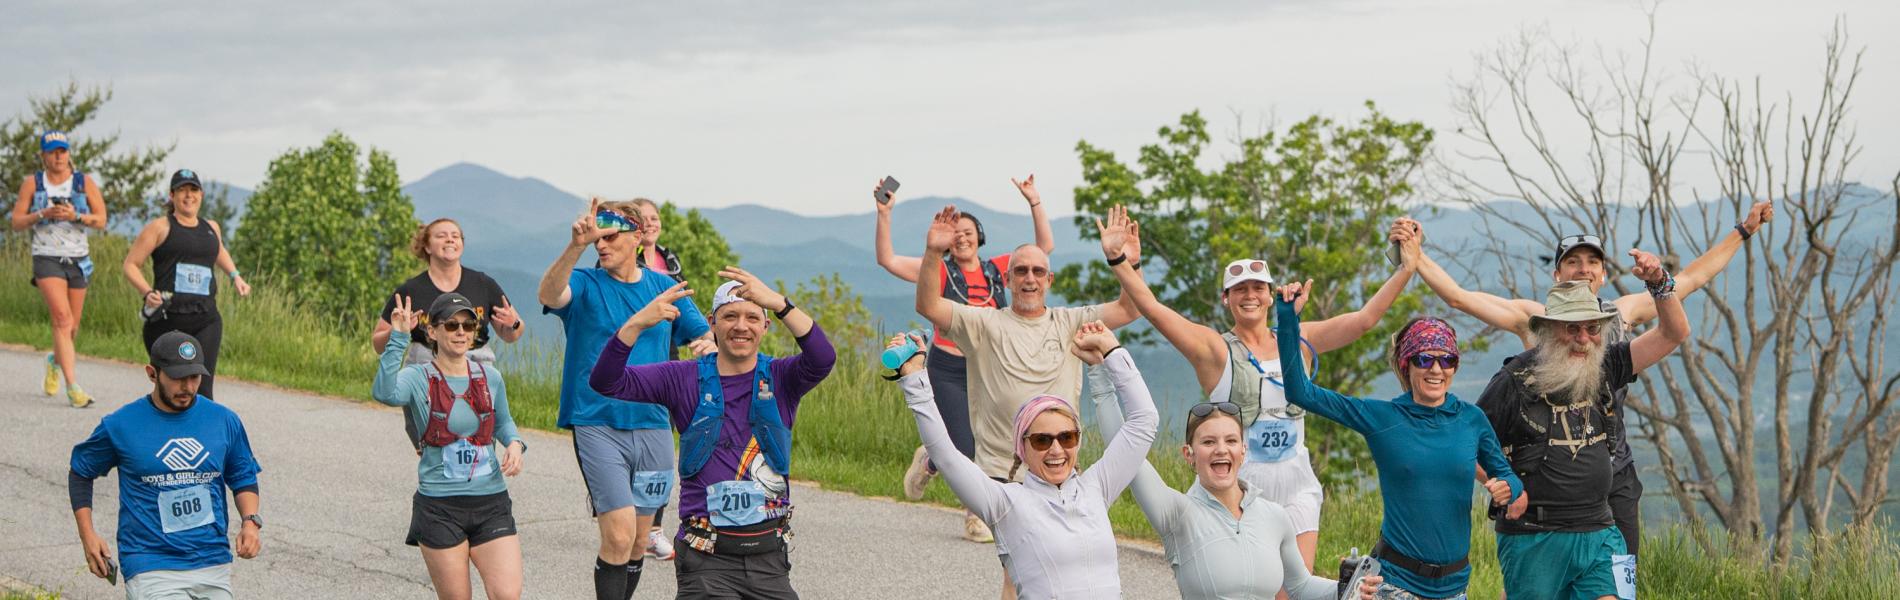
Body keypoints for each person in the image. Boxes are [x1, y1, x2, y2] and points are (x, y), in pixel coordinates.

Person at [1392, 200, 1770, 563]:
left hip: (1613, 473)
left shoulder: (1621, 314)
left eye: (1592, 262)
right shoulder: (1534, 318)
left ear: (1604, 274)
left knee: (1618, 578)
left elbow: (1690, 279)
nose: (1583, 269)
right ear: (1557, 274)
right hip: (1546, 482)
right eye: (1572, 262)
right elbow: (1459, 298)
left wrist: (1744, 231)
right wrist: (1415, 253)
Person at [1105, 245, 1414, 576]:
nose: (1249, 295)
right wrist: (1120, 261)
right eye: (1239, 289)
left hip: (1297, 483)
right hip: (1244, 486)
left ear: (1270, 296)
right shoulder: (1214, 349)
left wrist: (1406, 270)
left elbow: (1363, 321)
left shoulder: (1299, 338)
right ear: (1226, 298)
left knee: (1296, 587)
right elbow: (1153, 309)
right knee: (1252, 585)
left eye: (1257, 288)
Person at [589, 267, 835, 600]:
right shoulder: (682, 378)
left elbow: (822, 358)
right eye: (730, 315)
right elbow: (606, 381)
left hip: (768, 558)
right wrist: (636, 324)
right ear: (712, 323)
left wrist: (780, 304)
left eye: (752, 316)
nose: (740, 326)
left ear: (765, 325)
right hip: (706, 560)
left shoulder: (782, 377)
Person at [1269, 282, 1523, 599]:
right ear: (1407, 364)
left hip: (1456, 588)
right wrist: (1288, 318)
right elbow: (1300, 392)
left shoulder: (1471, 419)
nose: (1436, 369)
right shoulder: (1382, 417)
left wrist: (1507, 488)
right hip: (1394, 584)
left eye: (1446, 360)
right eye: (1424, 359)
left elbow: (1509, 475)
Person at [889, 321, 1154, 599]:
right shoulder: (1005, 503)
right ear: (1022, 449)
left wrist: (1112, 351)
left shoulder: (1096, 488)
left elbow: (1144, 421)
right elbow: (945, 454)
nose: (1056, 449)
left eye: (1067, 438)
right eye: (1042, 440)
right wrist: (915, 377)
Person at [1085, 360, 1383, 600]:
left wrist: (1345, 585)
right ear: (1189, 454)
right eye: (1208, 442)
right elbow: (1125, 451)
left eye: (1230, 440)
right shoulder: (1177, 513)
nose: (1221, 449)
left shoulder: (1274, 516)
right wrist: (1100, 375)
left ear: (1243, 450)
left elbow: (1300, 587)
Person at [538, 198, 713, 599]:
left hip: (653, 425)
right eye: (597, 238)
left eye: (610, 236)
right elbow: (549, 295)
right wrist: (575, 246)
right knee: (617, 535)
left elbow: (701, 333)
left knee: (637, 541)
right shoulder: (585, 283)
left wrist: (705, 346)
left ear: (637, 236)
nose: (602, 245)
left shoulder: (664, 287)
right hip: (596, 419)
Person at [1476, 272, 1689, 600]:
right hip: (1535, 534)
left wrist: (1660, 283)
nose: (1584, 338)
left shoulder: (1608, 365)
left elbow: (1673, 334)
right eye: (1572, 328)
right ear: (1547, 331)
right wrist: (1502, 482)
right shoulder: (1514, 380)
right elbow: (1468, 443)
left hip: (1600, 528)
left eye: (1592, 328)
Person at [876, 175, 1054, 544]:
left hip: (991, 366)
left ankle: (940, 469)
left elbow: (1043, 248)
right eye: (955, 232)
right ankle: (969, 505)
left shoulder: (997, 271)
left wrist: (1034, 202)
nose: (962, 236)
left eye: (968, 230)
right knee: (963, 445)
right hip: (950, 367)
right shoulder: (938, 270)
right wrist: (885, 214)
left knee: (995, 438)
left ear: (980, 236)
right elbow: (887, 260)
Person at [69, 331, 263, 598]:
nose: (187, 387)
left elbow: (243, 475)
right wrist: (87, 535)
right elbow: (81, 470)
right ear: (152, 373)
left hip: (212, 560)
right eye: (177, 377)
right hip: (150, 563)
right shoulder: (121, 425)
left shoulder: (223, 420)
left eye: (194, 377)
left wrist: (250, 523)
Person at [375, 293, 528, 600]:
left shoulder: (490, 377)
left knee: (507, 595)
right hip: (440, 507)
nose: (461, 332)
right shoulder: (418, 377)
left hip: (491, 503)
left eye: (468, 325)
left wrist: (514, 443)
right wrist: (399, 339)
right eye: (452, 325)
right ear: (432, 331)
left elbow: (503, 423)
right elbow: (385, 392)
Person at [375, 217, 525, 447]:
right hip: (427, 364)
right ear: (426, 246)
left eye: (455, 235)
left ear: (462, 244)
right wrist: (398, 332)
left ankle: (480, 466)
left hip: (478, 364)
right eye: (441, 235)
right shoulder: (411, 290)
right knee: (430, 438)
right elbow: (378, 343)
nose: (450, 239)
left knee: (483, 434)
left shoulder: (482, 283)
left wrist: (513, 324)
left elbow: (511, 334)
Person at [123, 169, 252, 400]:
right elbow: (131, 264)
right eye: (182, 190)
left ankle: (200, 435)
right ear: (172, 196)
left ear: (201, 194)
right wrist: (147, 292)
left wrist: (236, 276)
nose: (188, 195)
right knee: (171, 389)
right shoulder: (160, 227)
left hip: (206, 319)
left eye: (193, 190)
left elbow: (219, 251)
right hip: (167, 320)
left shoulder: (211, 227)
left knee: (201, 389)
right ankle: (166, 433)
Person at [11, 130, 108, 408]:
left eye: (62, 151)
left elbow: (101, 219)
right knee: (62, 319)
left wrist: (75, 215)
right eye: (53, 151)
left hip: (78, 258)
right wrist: (42, 213)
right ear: (43, 156)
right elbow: (17, 221)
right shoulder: (33, 183)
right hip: (46, 257)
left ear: (68, 153)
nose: (58, 156)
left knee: (72, 328)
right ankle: (73, 387)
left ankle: (54, 360)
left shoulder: (83, 182)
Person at [630, 198, 685, 283]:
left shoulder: (671, 258)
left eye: (654, 218)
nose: (650, 223)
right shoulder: (625, 261)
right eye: (643, 219)